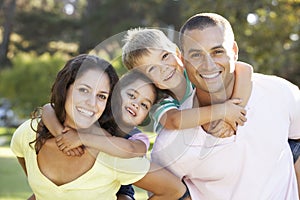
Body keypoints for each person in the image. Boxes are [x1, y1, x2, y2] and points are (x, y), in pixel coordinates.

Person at [150, 12, 300, 199]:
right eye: (196, 55)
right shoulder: (171, 143)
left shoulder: (279, 92)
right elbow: (165, 193)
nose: (208, 65)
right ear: (182, 59)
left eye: (217, 52)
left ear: (234, 51)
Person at [10, 54, 190, 200]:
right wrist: (60, 134)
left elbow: (174, 191)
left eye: (102, 96)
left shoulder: (112, 150)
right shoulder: (28, 134)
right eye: (83, 90)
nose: (91, 103)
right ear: (65, 88)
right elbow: (41, 191)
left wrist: (83, 138)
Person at [41, 69, 163, 199]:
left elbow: (132, 149)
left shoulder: (137, 137)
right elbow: (48, 108)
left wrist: (82, 138)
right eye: (132, 95)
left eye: (144, 105)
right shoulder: (95, 115)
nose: (136, 104)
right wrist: (61, 135)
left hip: (120, 188)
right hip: (86, 181)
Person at [122, 28, 252, 138]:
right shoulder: (159, 99)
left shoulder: (194, 73)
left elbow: (244, 68)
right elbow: (175, 120)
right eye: (152, 68)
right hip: (174, 152)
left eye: (165, 56)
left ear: (178, 53)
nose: (164, 68)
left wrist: (233, 114)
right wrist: (222, 111)